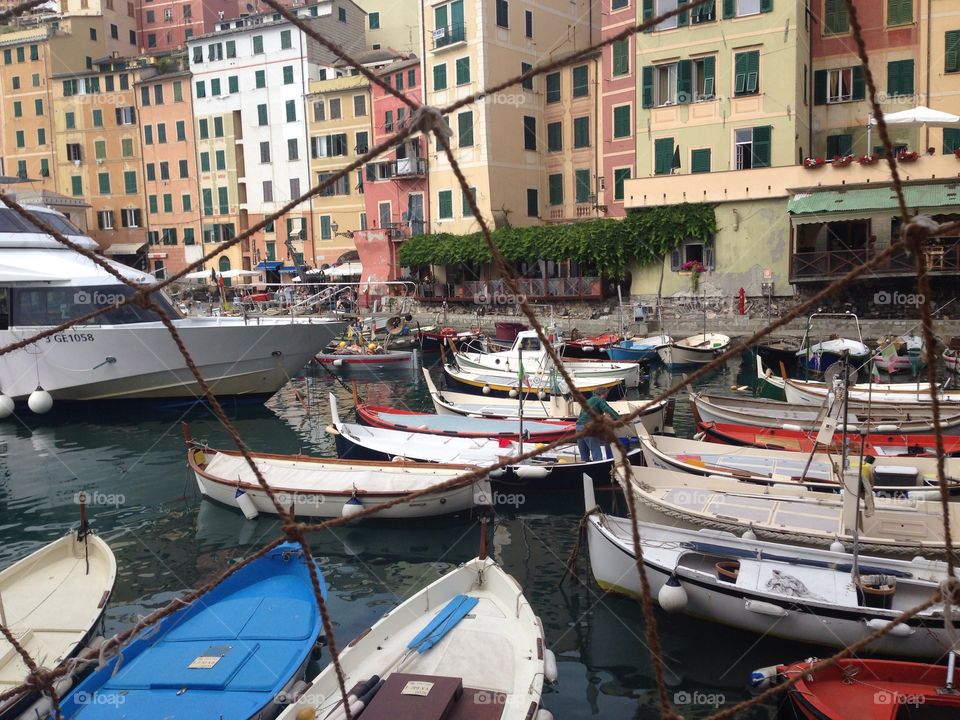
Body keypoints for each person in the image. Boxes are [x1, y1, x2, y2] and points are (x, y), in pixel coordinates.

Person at [575, 385, 620, 462]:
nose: (605, 398)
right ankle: (600, 471)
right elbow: (608, 410)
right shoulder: (599, 400)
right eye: (606, 395)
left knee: (584, 458)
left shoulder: (588, 401)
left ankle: (586, 472)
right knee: (597, 456)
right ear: (603, 394)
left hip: (578, 428)